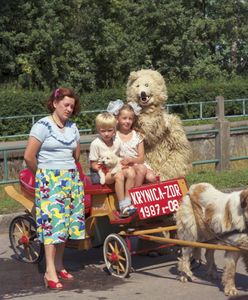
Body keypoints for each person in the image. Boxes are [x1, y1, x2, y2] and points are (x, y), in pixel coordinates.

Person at [24, 87, 85, 290]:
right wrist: (43, 175)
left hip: (71, 179)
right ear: (55, 103)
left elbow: (76, 155)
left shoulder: (72, 127)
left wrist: (69, 172)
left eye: (72, 106)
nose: (69, 109)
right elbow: (29, 156)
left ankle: (59, 264)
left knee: (65, 225)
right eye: (66, 105)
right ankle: (49, 270)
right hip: (50, 180)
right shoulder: (42, 125)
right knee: (52, 226)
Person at [89, 112, 136, 218]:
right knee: (119, 175)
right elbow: (93, 164)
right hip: (104, 173)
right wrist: (104, 168)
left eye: (110, 130)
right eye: (103, 131)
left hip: (116, 167)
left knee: (131, 172)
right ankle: (123, 206)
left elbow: (119, 156)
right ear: (98, 129)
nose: (106, 134)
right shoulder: (96, 144)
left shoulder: (117, 141)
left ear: (114, 130)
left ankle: (128, 201)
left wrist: (123, 163)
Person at [107, 99, 157, 186]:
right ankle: (134, 195)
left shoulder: (137, 136)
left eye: (130, 119)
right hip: (123, 166)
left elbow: (141, 158)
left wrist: (131, 160)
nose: (127, 121)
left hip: (136, 163)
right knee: (141, 169)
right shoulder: (114, 136)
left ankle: (143, 193)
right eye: (124, 118)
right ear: (118, 119)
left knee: (151, 177)